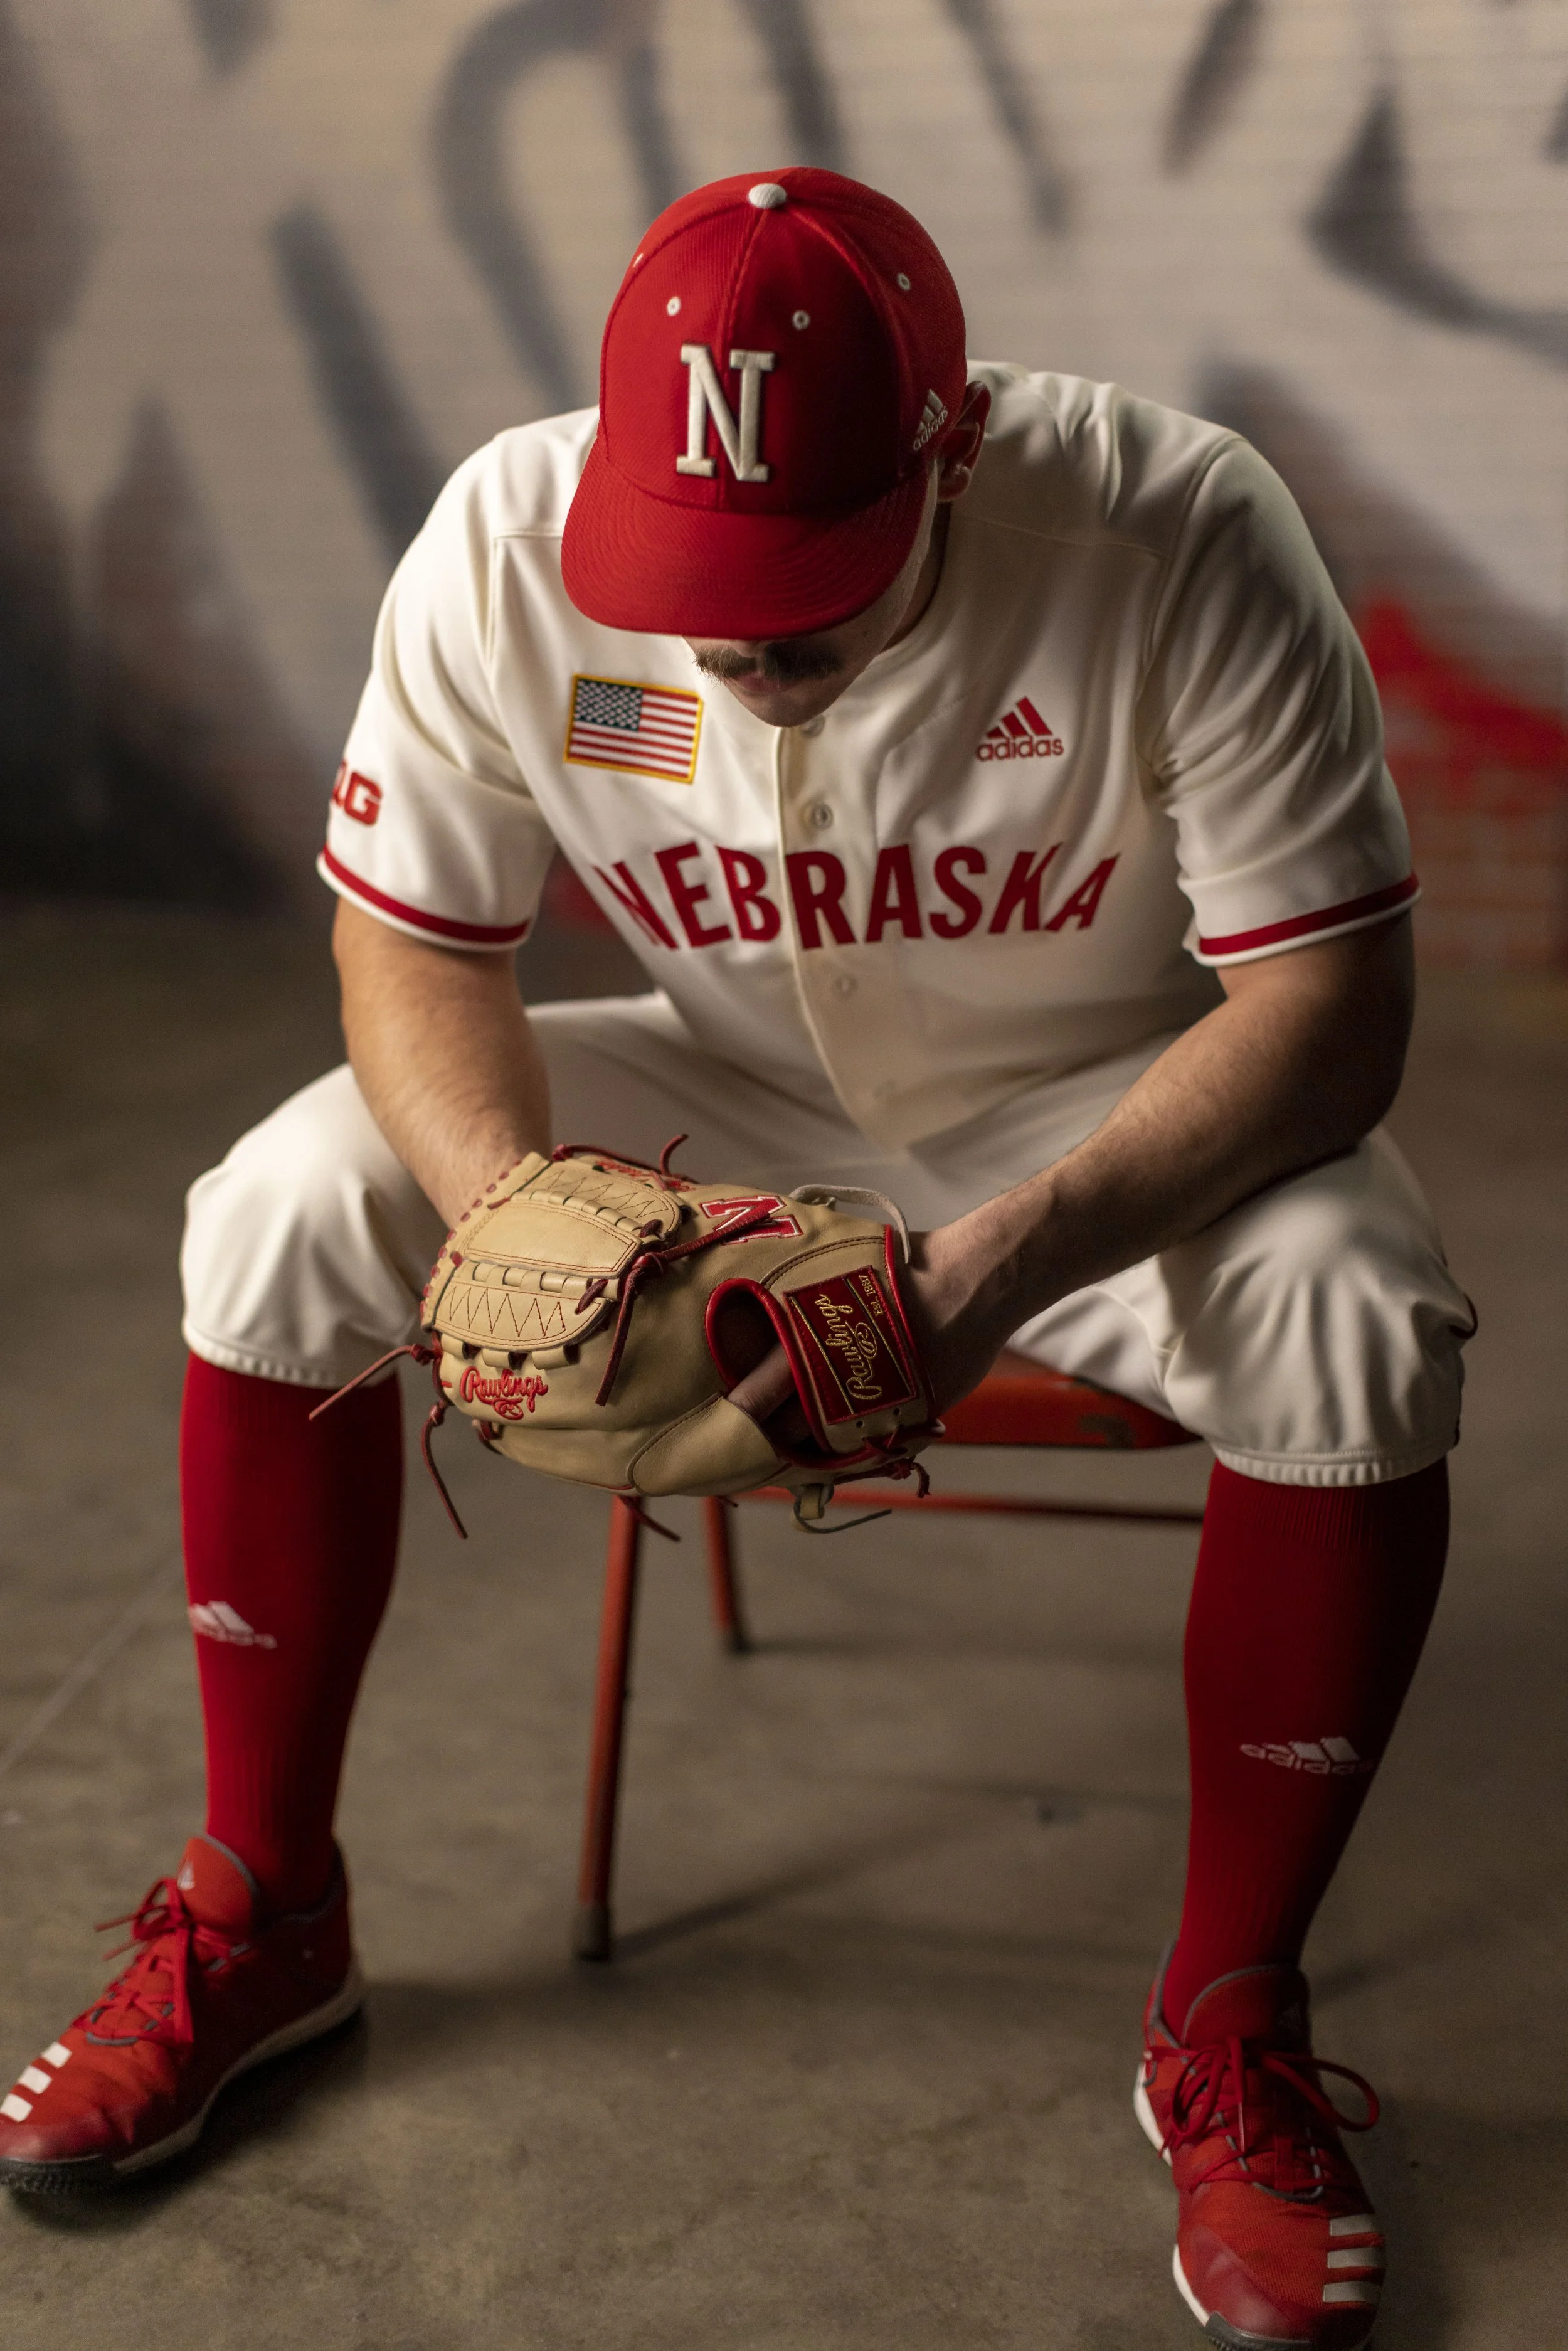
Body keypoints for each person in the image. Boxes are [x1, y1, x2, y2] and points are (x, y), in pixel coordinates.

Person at [0, 168, 1471, 2347]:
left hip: (1084, 1117)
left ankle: (1229, 2018)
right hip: (711, 1098)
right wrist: (520, 1212)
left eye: (805, 595)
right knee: (281, 1203)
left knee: (1358, 1313)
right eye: (697, 586)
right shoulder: (508, 536)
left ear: (947, 444)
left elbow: (1328, 1016)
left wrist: (989, 1267)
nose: (736, 648)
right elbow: (403, 947)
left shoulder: (1176, 526)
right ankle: (265, 1907)